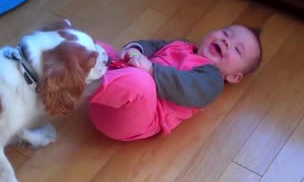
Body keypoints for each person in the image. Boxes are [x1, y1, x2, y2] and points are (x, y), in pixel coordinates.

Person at [89, 24, 262, 141]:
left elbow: (184, 87)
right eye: (226, 33)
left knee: (141, 82)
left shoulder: (212, 81)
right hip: (112, 100)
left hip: (134, 119)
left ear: (234, 77)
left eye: (238, 50)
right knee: (99, 48)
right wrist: (134, 51)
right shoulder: (181, 45)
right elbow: (151, 45)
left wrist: (150, 70)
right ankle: (73, 61)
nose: (226, 41)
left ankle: (86, 84)